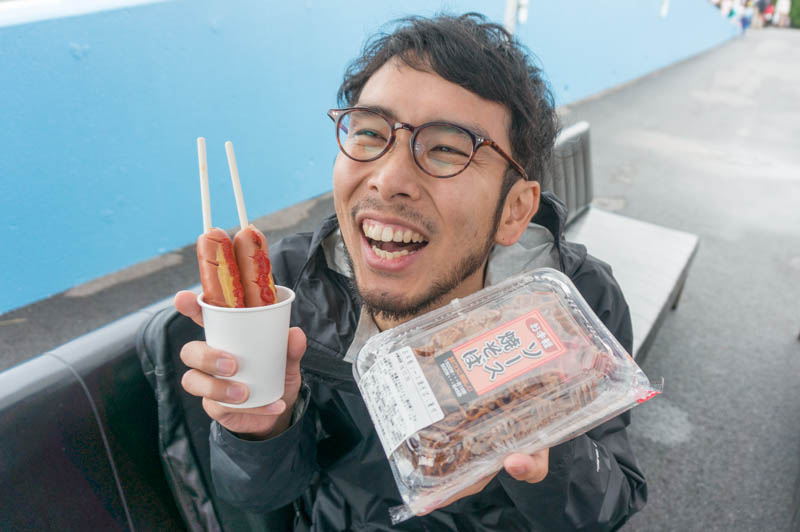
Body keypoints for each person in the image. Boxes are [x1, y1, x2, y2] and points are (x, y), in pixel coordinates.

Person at [175, 13, 647, 531]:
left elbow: (609, 507)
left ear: (514, 210)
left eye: (446, 148)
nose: (389, 178)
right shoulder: (291, 290)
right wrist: (261, 431)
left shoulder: (573, 303)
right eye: (370, 133)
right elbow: (260, 495)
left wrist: (550, 446)